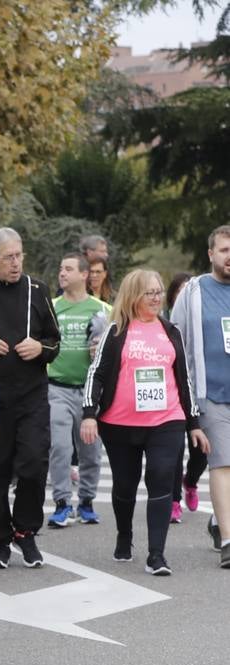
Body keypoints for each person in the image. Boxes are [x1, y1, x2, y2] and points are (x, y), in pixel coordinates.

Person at [83, 270, 207, 575]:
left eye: (159, 292)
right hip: (120, 424)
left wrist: (193, 422)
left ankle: (156, 554)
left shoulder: (170, 330)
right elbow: (96, 374)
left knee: (161, 476)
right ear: (133, 295)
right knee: (124, 485)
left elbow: (184, 380)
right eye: (149, 293)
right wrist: (89, 414)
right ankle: (124, 536)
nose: (156, 298)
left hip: (167, 420)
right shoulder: (117, 331)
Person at [0, 228, 60, 568]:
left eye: (19, 255)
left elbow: (55, 341)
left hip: (31, 396)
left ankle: (26, 531)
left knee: (34, 462)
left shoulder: (37, 289)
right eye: (9, 257)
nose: (16, 263)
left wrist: (40, 348)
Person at [168, 225, 230, 566]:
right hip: (211, 395)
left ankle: (218, 520)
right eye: (224, 250)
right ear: (210, 254)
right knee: (223, 463)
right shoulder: (194, 292)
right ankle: (228, 541)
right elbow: (175, 340)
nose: (229, 256)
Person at [47, 252, 109, 528]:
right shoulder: (51, 306)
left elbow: (115, 350)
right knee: (59, 447)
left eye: (69, 269)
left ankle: (86, 501)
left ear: (84, 275)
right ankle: (62, 503)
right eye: (61, 268)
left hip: (89, 391)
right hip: (56, 387)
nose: (62, 273)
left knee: (91, 451)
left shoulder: (102, 309)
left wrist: (101, 351)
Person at [164, 272, 200, 523]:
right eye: (180, 291)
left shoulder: (203, 319)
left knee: (202, 450)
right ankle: (174, 500)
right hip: (174, 392)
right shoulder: (163, 323)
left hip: (199, 390)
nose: (185, 296)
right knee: (174, 449)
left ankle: (192, 480)